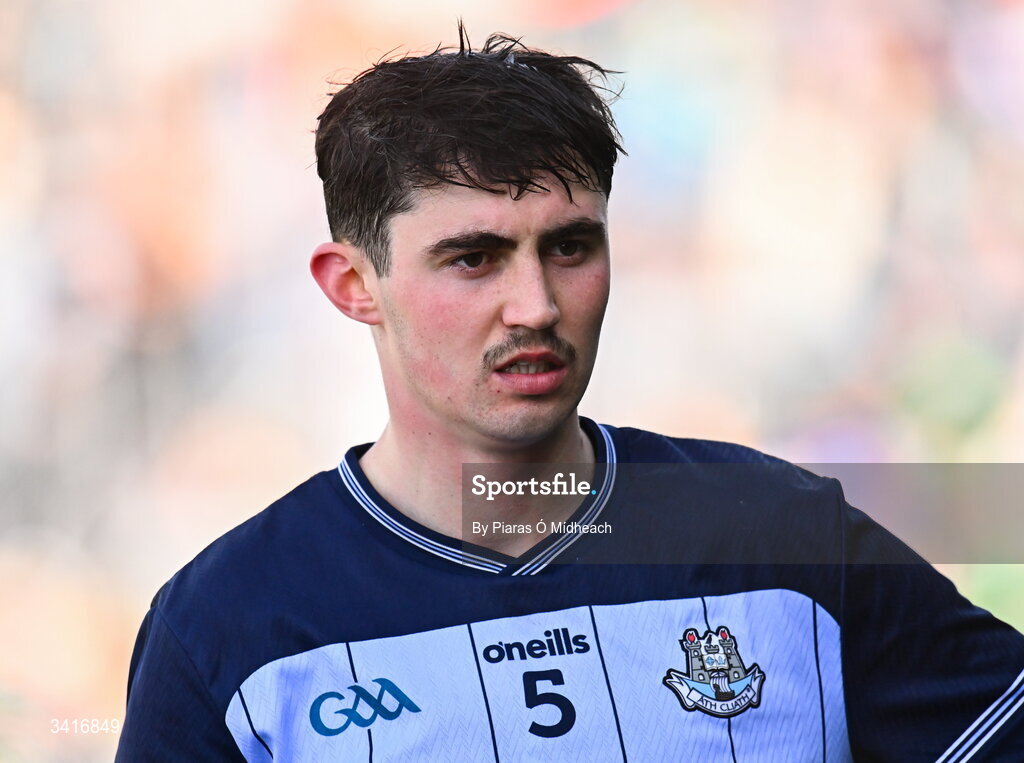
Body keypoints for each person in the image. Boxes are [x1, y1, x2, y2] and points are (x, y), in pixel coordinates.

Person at [116, 28, 1024, 761]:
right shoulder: (228, 628)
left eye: (570, 247)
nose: (537, 305)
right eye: (474, 257)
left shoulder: (784, 539)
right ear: (353, 284)